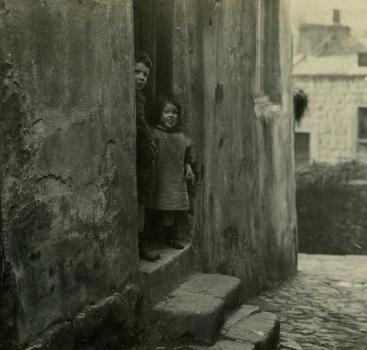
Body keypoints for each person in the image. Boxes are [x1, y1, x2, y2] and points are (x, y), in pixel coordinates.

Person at [145, 95, 196, 249]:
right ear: (159, 114)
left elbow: (187, 153)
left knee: (172, 210)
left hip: (174, 177)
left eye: (174, 112)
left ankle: (171, 238)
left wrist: (188, 166)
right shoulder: (154, 133)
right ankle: (151, 239)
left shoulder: (181, 135)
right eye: (166, 112)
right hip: (160, 176)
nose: (171, 116)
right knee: (155, 206)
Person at [134, 51, 160, 261]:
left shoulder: (141, 97)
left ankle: (141, 243)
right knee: (139, 200)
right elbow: (140, 126)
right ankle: (138, 244)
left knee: (142, 199)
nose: (141, 77)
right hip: (137, 155)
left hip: (142, 156)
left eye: (145, 74)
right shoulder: (132, 96)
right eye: (137, 72)